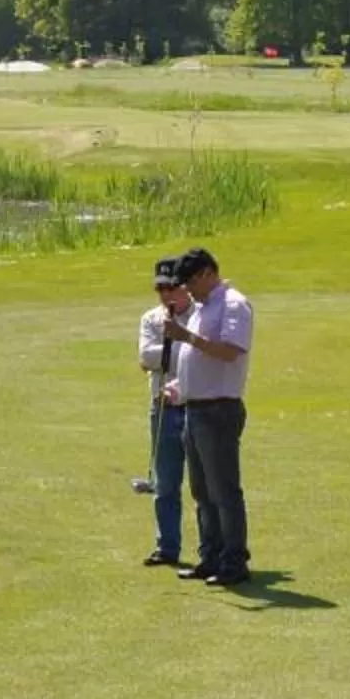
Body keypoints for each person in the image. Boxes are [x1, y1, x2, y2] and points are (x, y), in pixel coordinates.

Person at [164, 246, 254, 587]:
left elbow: (230, 351)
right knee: (201, 491)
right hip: (195, 407)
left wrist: (186, 336)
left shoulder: (233, 304)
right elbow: (197, 357)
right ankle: (211, 556)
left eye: (189, 282)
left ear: (206, 274)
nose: (186, 290)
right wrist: (179, 385)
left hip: (219, 409)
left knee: (223, 490)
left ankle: (234, 560)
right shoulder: (204, 307)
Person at [134, 257, 195, 567]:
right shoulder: (151, 319)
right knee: (166, 484)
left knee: (205, 486)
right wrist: (179, 346)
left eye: (171, 287)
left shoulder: (199, 315)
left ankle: (213, 554)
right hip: (162, 408)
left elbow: (202, 353)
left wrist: (179, 342)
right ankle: (167, 548)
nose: (166, 295)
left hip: (195, 407)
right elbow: (146, 356)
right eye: (160, 288)